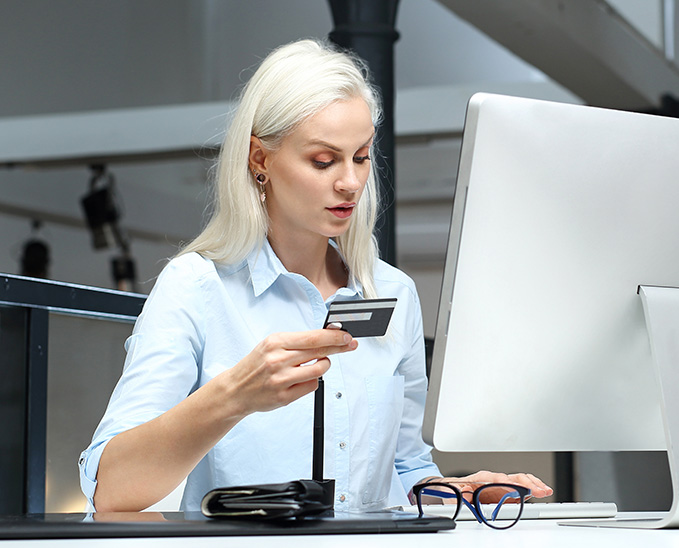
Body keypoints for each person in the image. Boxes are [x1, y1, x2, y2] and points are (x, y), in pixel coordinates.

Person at [79, 39, 552, 513]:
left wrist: (455, 491)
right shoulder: (197, 287)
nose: (350, 181)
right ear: (260, 160)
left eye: (362, 156)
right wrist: (234, 397)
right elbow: (111, 490)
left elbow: (406, 467)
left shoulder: (394, 293)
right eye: (323, 161)